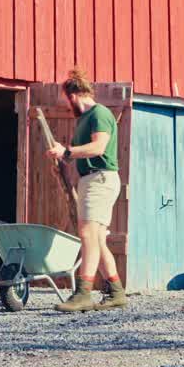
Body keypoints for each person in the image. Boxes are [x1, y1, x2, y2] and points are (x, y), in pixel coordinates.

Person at [46, 68, 128, 312]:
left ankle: (83, 293)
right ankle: (116, 292)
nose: (66, 104)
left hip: (100, 180)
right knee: (97, 239)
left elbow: (99, 147)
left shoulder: (98, 114)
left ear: (74, 94)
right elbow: (84, 153)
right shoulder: (84, 119)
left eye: (66, 99)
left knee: (88, 234)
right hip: (92, 180)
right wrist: (63, 160)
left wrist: (67, 152)